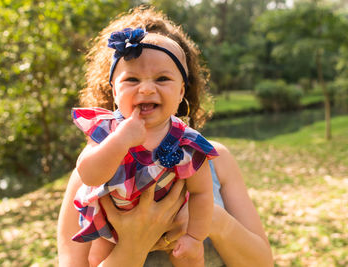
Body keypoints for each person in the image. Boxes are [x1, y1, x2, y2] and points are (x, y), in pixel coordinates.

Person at [57, 6, 273, 267]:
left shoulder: (207, 157)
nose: (147, 88)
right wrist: (133, 245)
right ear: (113, 89)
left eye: (161, 77)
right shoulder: (97, 159)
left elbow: (262, 263)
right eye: (133, 78)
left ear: (182, 89)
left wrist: (207, 221)